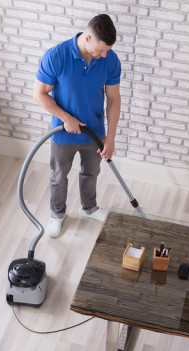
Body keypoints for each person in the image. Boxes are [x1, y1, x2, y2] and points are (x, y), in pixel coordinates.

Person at [34, 13, 122, 239]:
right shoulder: (57, 56)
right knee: (58, 176)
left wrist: (110, 137)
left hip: (94, 134)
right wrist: (66, 118)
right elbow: (40, 94)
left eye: (107, 50)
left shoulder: (109, 59)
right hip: (63, 134)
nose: (105, 54)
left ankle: (89, 208)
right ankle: (57, 214)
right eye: (101, 49)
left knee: (91, 172)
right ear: (88, 38)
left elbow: (113, 99)